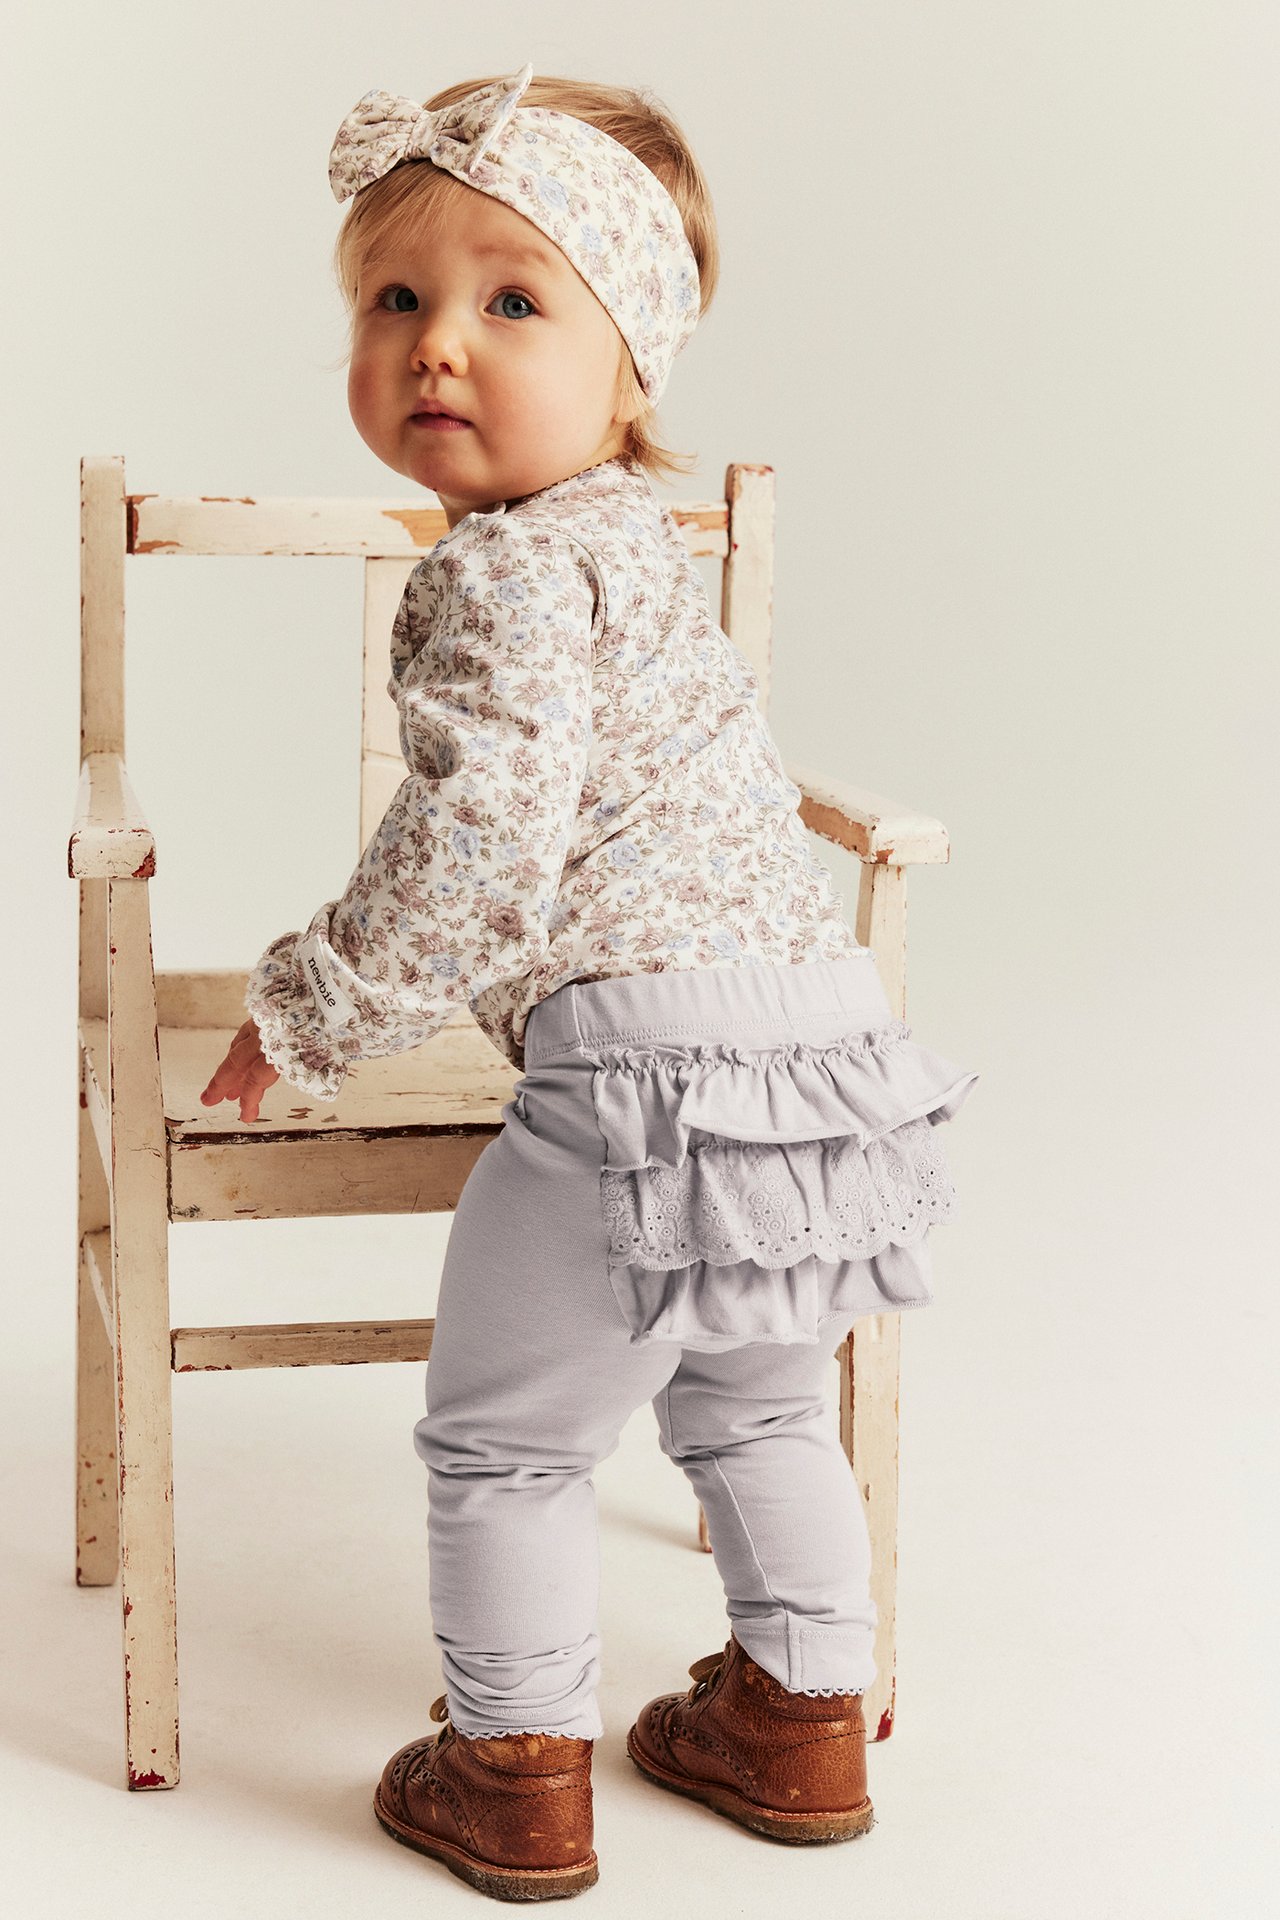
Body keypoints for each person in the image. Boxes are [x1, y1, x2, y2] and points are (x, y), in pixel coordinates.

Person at [199, 60, 980, 1903]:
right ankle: (797, 1717)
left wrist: (303, 1010)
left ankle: (513, 1766)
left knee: (506, 1438)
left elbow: (473, 862)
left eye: (512, 302)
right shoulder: (641, 548)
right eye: (396, 302)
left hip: (631, 1088)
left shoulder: (504, 579)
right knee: (761, 1407)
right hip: (816, 1059)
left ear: (635, 364)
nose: (438, 348)